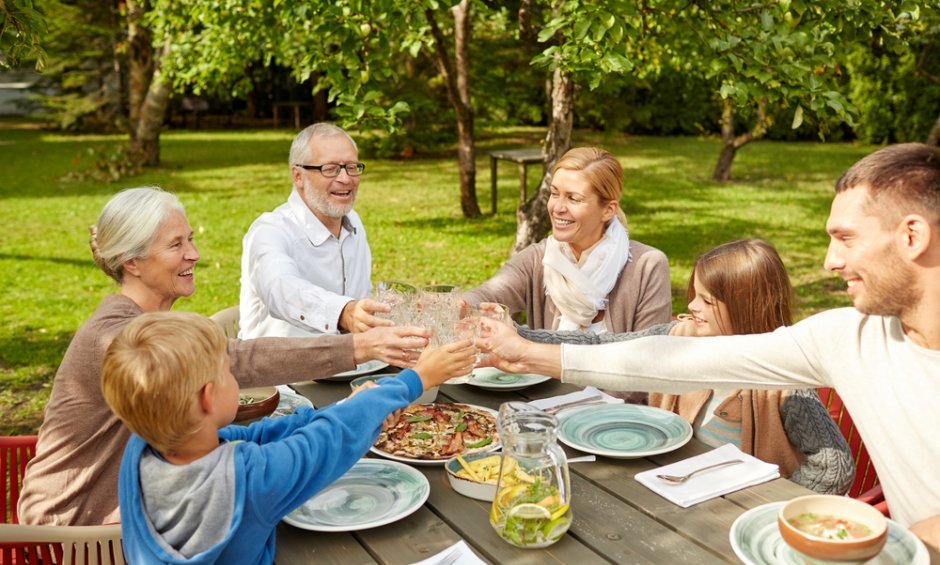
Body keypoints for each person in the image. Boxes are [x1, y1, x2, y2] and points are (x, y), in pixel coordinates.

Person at [477, 143, 940, 547]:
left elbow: (835, 468)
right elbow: (671, 357)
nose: (829, 261)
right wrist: (524, 347)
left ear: (912, 236)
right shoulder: (846, 337)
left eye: (846, 238)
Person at [18, 186, 429, 526]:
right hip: (81, 526)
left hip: (139, 500)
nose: (194, 253)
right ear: (133, 262)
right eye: (177, 244)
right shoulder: (118, 337)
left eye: (190, 238)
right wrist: (360, 347)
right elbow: (237, 359)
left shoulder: (148, 321)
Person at [102, 311, 474, 564]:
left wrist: (350, 405)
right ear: (206, 397)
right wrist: (415, 380)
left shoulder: (141, 452)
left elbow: (253, 436)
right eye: (229, 372)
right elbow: (328, 441)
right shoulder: (248, 482)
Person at [519, 239, 854, 495]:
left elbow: (835, 468)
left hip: (724, 517)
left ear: (747, 308)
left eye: (707, 301)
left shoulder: (783, 380)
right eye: (695, 293)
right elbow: (601, 346)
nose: (692, 305)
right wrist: (521, 338)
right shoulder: (680, 335)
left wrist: (768, 508)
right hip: (670, 488)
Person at [463, 146, 672, 334]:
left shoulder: (647, 266)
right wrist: (457, 305)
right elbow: (487, 293)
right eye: (555, 194)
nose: (557, 208)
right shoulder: (539, 258)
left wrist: (526, 341)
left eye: (574, 198)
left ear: (608, 210)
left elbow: (649, 355)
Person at [240, 122, 386, 338]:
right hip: (285, 369)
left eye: (352, 167)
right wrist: (343, 312)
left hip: (355, 364)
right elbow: (281, 289)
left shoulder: (353, 222)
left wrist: (402, 309)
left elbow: (362, 299)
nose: (345, 178)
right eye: (330, 169)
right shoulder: (270, 231)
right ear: (298, 176)